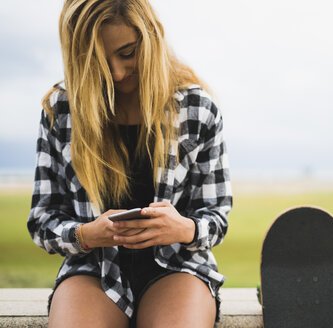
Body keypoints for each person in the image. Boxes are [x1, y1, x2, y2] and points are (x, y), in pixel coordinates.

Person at [27, 0, 232, 327]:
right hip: (92, 268)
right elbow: (41, 219)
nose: (117, 73)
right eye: (97, 62)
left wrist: (183, 228)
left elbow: (216, 215)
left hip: (177, 266)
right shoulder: (61, 109)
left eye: (127, 53)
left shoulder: (198, 109)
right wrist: (86, 235)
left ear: (151, 38)